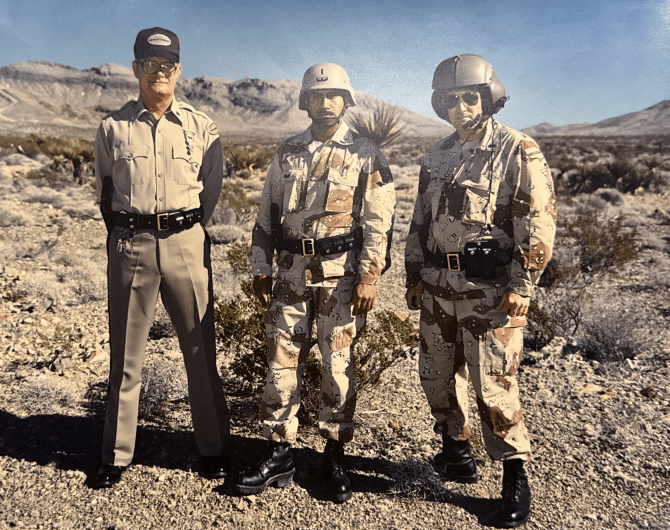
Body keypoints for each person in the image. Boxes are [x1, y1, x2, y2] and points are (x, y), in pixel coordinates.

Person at [404, 54, 556, 528]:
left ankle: (514, 476)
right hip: (438, 286)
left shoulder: (517, 149)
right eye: (450, 100)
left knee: (494, 384)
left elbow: (538, 221)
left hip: (489, 291)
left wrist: (523, 285)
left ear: (489, 97)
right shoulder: (437, 155)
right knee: (435, 376)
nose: (460, 107)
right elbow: (419, 221)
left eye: (469, 97)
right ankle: (456, 453)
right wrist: (413, 275)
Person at [238, 63, 396, 503]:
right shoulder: (288, 152)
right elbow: (267, 212)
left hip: (340, 278)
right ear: (304, 102)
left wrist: (369, 276)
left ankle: (334, 454)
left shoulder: (367, 154)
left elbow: (379, 222)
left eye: (334, 96)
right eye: (316, 96)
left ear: (346, 102)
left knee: (337, 367)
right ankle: (279, 452)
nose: (325, 103)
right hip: (290, 275)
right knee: (280, 362)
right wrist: (261, 267)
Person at [94, 27, 230, 487]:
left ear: (178, 70)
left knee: (200, 352)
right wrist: (130, 232)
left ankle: (214, 449)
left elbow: (211, 189)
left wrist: (183, 228)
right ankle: (116, 455)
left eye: (167, 65)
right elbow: (106, 191)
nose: (159, 73)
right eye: (149, 64)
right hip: (131, 245)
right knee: (126, 356)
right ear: (136, 69)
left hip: (186, 243)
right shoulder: (112, 127)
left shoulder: (201, 126)